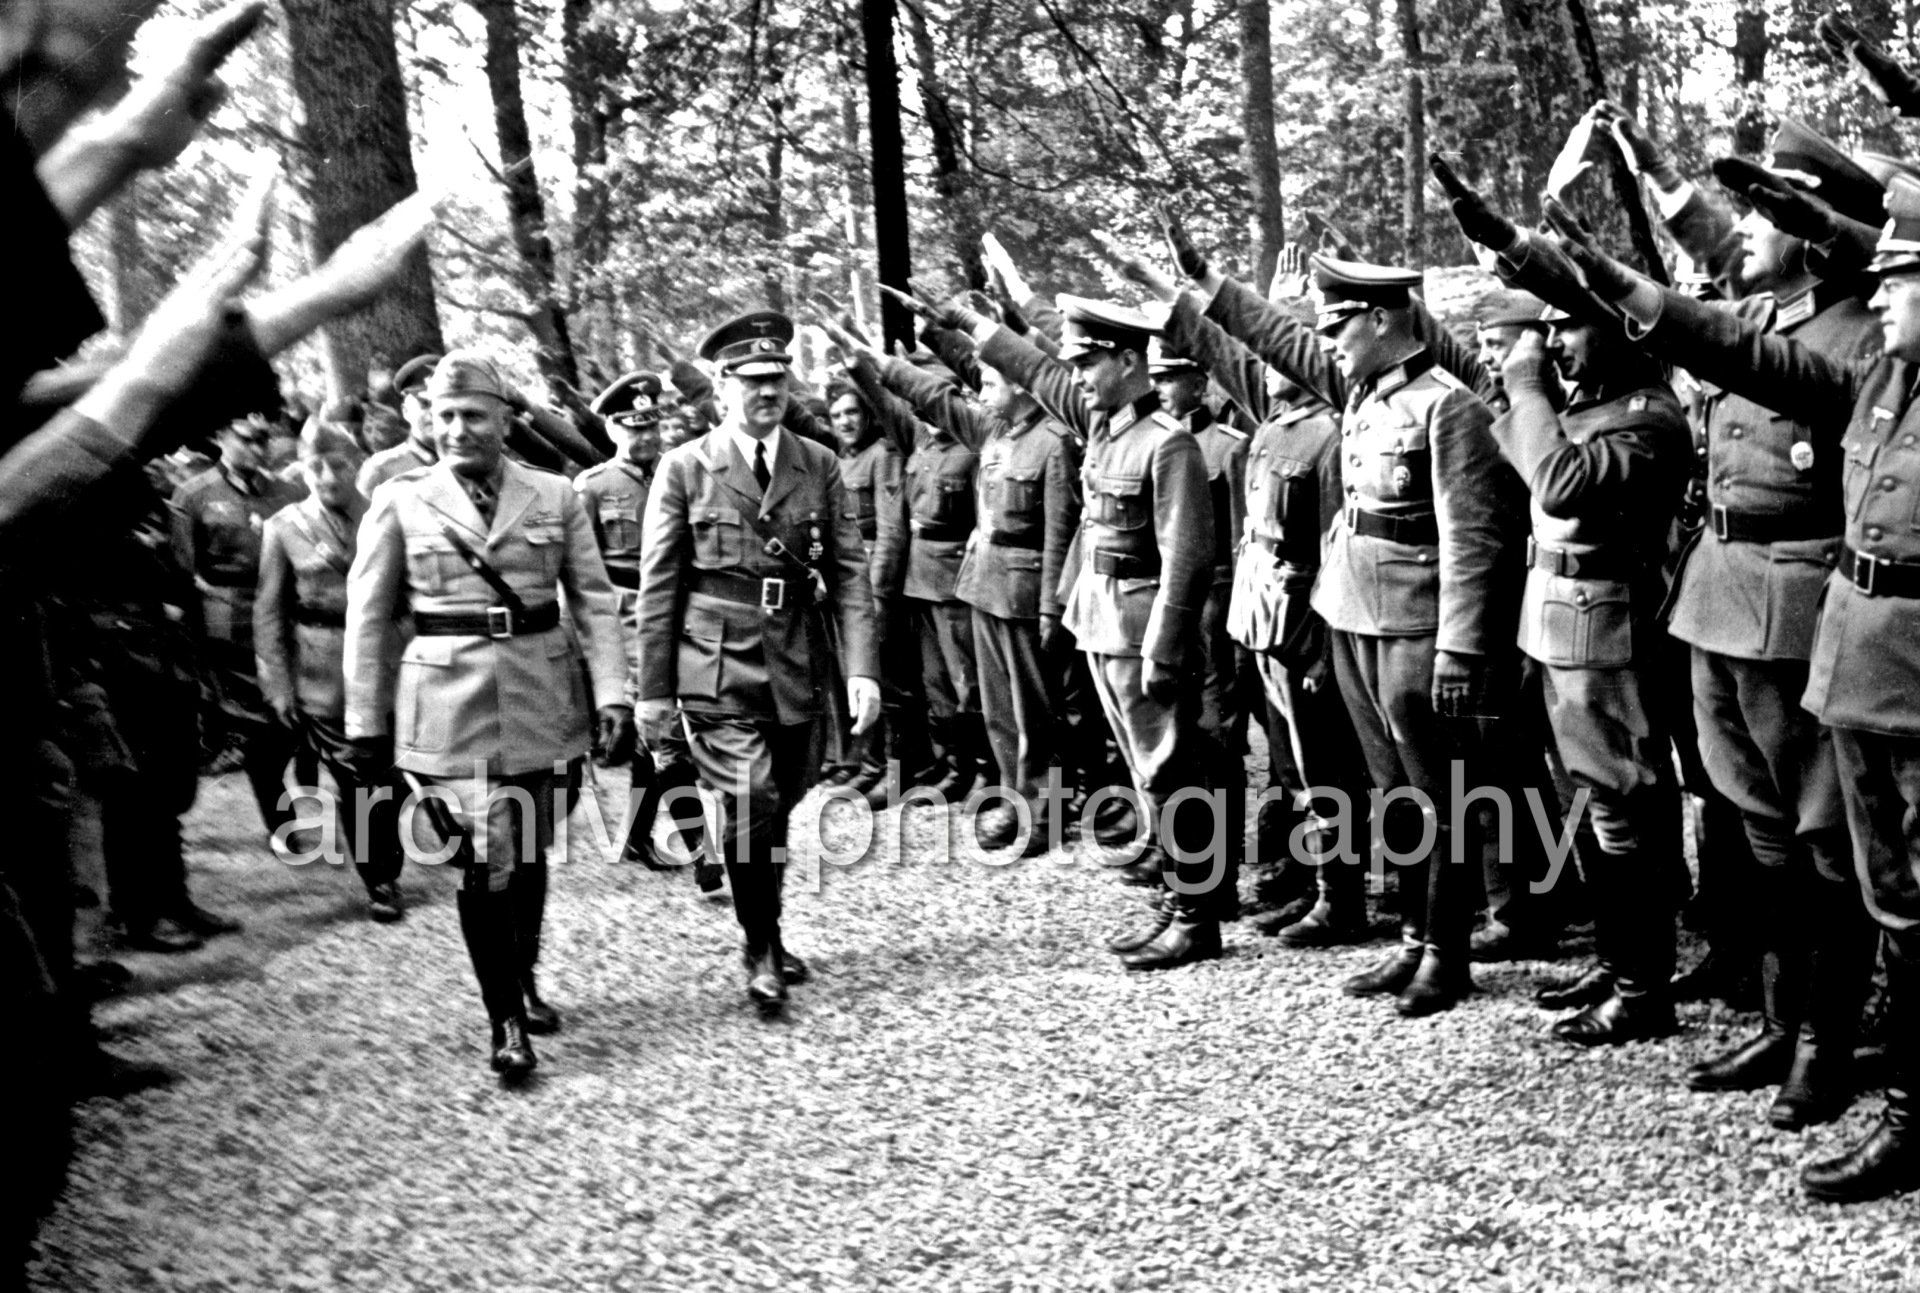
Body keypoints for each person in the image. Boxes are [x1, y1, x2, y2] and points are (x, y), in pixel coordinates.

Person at [1547, 183, 1920, 1201]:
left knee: (1833, 846)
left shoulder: (1855, 342)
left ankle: (1830, 1047)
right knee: (1759, 827)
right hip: (1727, 594)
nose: (1737, 231)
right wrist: (1556, 257)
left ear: (1812, 238)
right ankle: (1782, 1021)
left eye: (1763, 214)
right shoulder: (1794, 325)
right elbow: (1712, 312)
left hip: (1813, 612)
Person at [911, 288, 1224, 970]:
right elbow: (1039, 370)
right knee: (1148, 770)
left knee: (1172, 768)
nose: (1076, 374)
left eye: (1089, 361)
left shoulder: (1165, 444)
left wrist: (1166, 648)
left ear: (1126, 360)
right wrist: (969, 323)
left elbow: (1187, 557)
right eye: (1077, 363)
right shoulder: (1108, 425)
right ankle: (1175, 898)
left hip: (1143, 627)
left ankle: (1199, 915)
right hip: (1104, 621)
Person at [344, 350, 634, 1081]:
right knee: (486, 851)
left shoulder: (553, 494)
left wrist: (613, 695)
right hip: (448, 704)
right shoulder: (400, 500)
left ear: (506, 420)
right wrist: (363, 724)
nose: (456, 429)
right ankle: (504, 1018)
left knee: (530, 848)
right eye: (444, 416)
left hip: (541, 693)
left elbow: (595, 601)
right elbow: (368, 618)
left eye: (473, 415)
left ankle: (524, 975)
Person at [634, 311, 879, 1015]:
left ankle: (761, 916)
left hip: (797, 652)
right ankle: (762, 945)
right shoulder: (685, 466)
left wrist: (861, 669)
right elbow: (660, 587)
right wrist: (653, 695)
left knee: (785, 790)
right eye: (752, 380)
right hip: (716, 659)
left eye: (776, 379)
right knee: (751, 795)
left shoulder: (819, 462)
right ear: (722, 387)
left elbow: (852, 572)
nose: (767, 392)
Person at [1487, 307, 1692, 1043]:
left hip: (1609, 624)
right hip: (1560, 620)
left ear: (1621, 329)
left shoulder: (1649, 416)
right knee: (1591, 802)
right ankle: (1619, 964)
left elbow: (1561, 484)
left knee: (1623, 805)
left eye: (1569, 328)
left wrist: (1526, 385)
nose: (1554, 346)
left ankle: (1643, 991)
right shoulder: (1589, 403)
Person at [848, 321, 1081, 850]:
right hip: (982, 585)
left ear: (1020, 386)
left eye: (992, 383)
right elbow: (933, 396)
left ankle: (1046, 813)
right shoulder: (995, 433)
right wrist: (877, 364)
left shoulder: (1053, 442)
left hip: (1023, 595)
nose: (981, 392)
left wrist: (1050, 607)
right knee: (1000, 710)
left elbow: (1060, 533)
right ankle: (1017, 801)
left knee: (1033, 712)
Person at [255, 415, 405, 922]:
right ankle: (381, 877)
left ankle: (391, 853)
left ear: (357, 464)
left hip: (392, 662)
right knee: (354, 777)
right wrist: (278, 683)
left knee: (395, 774)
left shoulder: (389, 514)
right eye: (314, 468)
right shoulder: (283, 528)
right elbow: (270, 612)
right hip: (324, 675)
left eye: (337, 465)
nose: (326, 477)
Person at [575, 373, 706, 874]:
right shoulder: (593, 487)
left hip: (681, 609)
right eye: (633, 429)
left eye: (651, 427)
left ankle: (634, 836)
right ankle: (702, 853)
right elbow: (579, 572)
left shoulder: (682, 474)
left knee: (656, 733)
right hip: (627, 613)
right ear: (613, 431)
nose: (646, 438)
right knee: (664, 731)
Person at [170, 416, 307, 842]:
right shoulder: (194, 496)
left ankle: (295, 804)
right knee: (264, 728)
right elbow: (183, 573)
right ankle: (282, 823)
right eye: (248, 440)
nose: (259, 449)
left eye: (265, 440)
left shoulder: (289, 492)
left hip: (288, 620)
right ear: (220, 437)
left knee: (294, 723)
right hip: (231, 626)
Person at [356, 352, 442, 497]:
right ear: (406, 411)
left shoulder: (471, 456)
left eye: (441, 402)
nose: (434, 412)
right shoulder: (381, 470)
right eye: (425, 404)